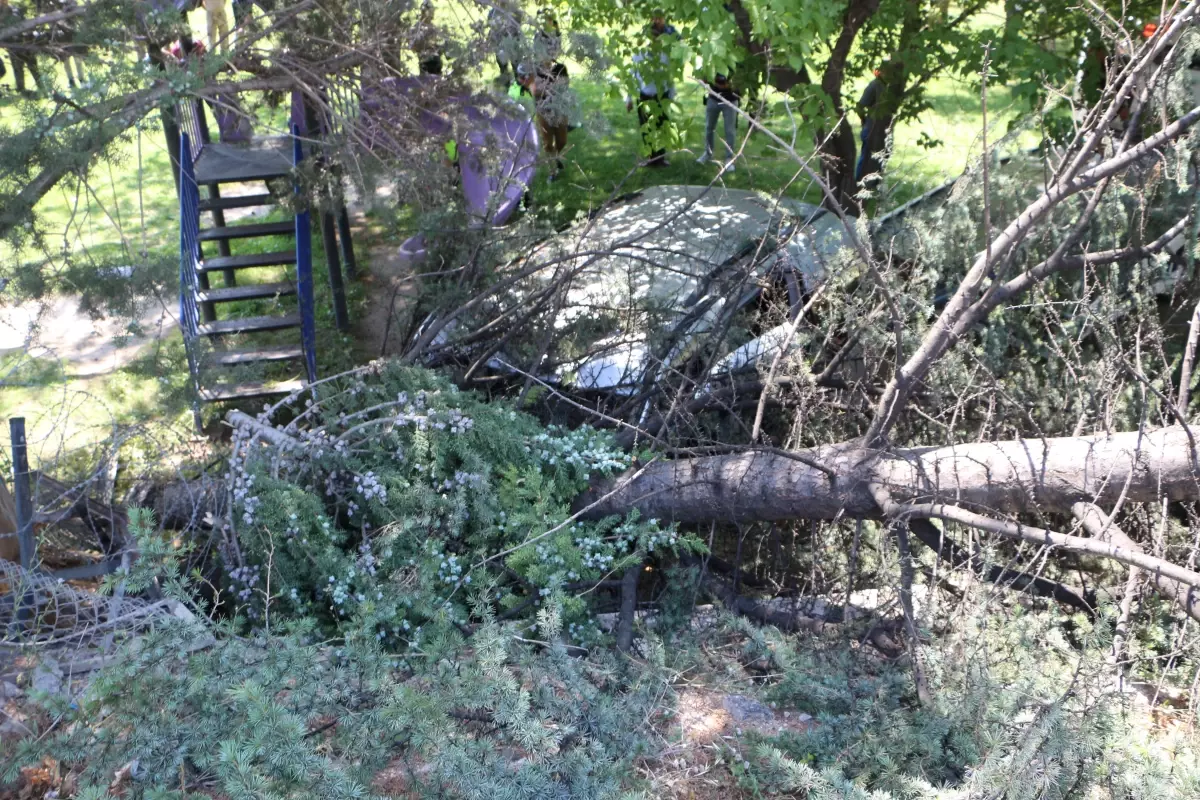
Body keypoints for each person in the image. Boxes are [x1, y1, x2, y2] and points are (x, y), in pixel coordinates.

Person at [628, 14, 677, 167]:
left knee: (661, 127)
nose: (654, 41)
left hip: (661, 97)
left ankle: (660, 158)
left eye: (657, 38)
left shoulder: (665, 56)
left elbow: (670, 78)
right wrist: (629, 99)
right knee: (646, 129)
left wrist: (672, 96)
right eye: (652, 38)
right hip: (645, 97)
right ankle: (650, 157)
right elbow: (632, 78)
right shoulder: (639, 56)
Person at [519, 59, 571, 181]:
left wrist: (544, 88)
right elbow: (534, 90)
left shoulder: (560, 68)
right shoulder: (533, 70)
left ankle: (556, 156)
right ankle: (552, 172)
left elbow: (564, 85)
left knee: (562, 141)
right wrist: (552, 87)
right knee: (547, 144)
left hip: (560, 109)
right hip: (542, 111)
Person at [696, 72, 738, 170]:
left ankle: (729, 159)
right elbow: (704, 78)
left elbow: (736, 85)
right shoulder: (713, 60)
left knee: (730, 131)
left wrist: (724, 85)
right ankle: (707, 153)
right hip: (713, 98)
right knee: (709, 127)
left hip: (731, 100)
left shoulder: (736, 63)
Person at [855, 67, 884, 183]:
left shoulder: (892, 87)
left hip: (883, 130)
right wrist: (864, 120)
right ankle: (859, 183)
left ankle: (875, 184)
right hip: (871, 128)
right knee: (866, 157)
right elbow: (859, 106)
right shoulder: (874, 86)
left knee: (881, 158)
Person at [488, 0, 521, 87]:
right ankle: (506, 88)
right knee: (503, 69)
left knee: (517, 68)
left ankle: (520, 88)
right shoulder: (492, 13)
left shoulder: (515, 11)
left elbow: (518, 26)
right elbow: (492, 29)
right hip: (500, 47)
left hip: (513, 45)